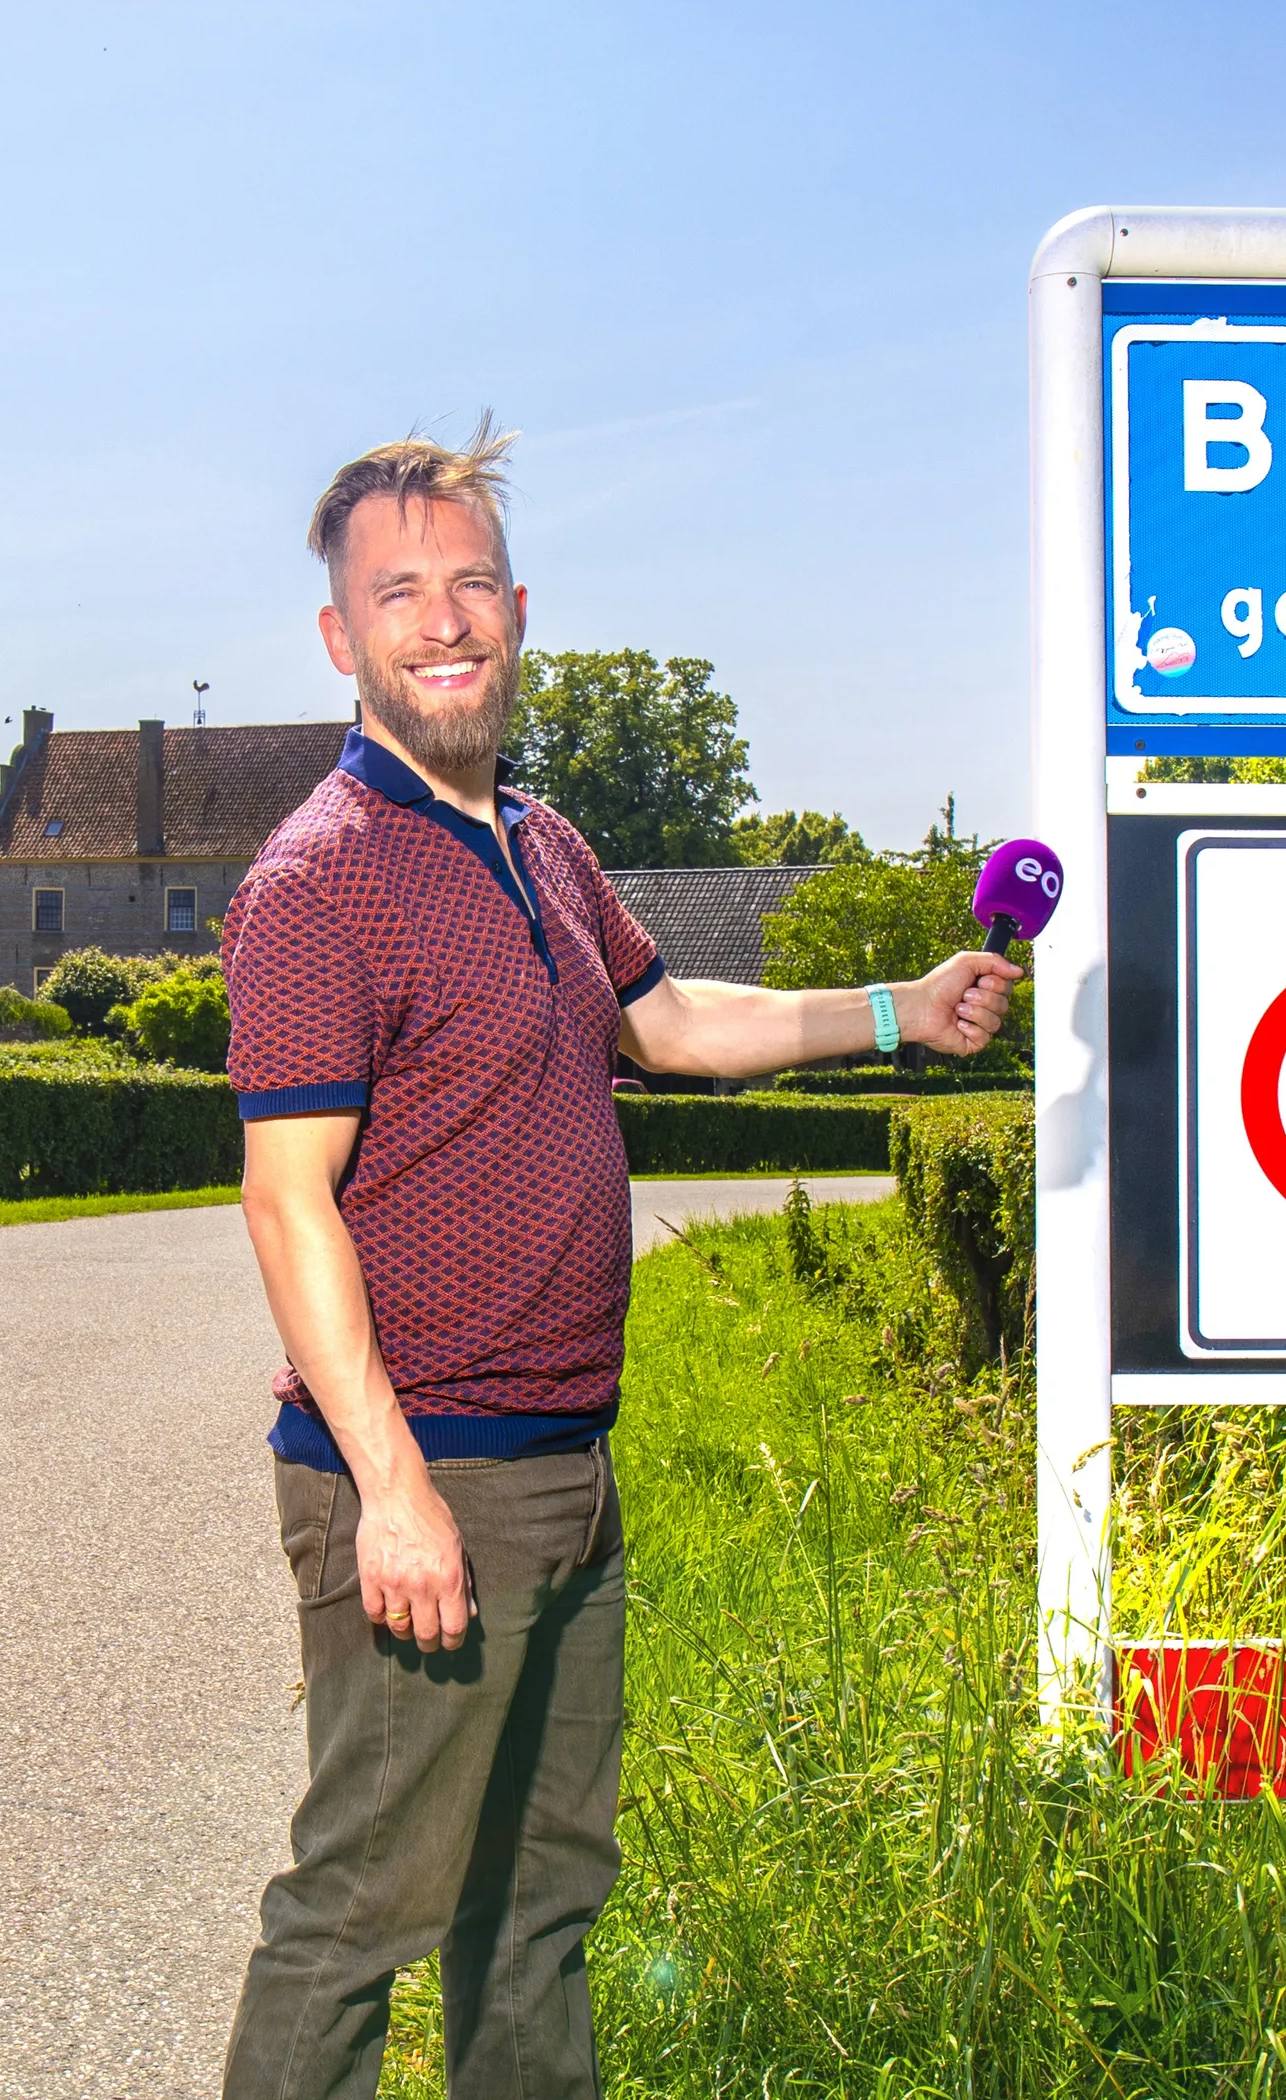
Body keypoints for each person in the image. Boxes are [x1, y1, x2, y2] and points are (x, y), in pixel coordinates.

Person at [216, 425, 1020, 2099]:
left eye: (468, 588)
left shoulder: (544, 841)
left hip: (571, 1469)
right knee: (363, 1912)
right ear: (340, 638)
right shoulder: (316, 882)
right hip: (431, 1475)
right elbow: (289, 1201)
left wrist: (896, 1011)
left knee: (537, 1912)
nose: (442, 624)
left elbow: (668, 1024)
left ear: (518, 609)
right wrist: (391, 1486)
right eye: (398, 596)